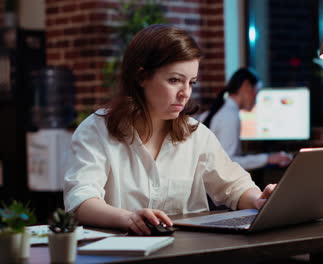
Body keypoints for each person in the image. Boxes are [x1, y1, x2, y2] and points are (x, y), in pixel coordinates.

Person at [63, 24, 276, 236]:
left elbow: (235, 186)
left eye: (191, 82)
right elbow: (81, 200)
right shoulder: (97, 130)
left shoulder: (195, 134)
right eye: (174, 80)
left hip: (186, 253)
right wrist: (128, 218)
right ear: (141, 77)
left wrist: (257, 200)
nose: (185, 93)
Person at [199, 68, 292, 170]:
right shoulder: (229, 116)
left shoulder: (218, 111)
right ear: (246, 86)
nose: (256, 101)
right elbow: (228, 162)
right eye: (256, 93)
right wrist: (268, 159)